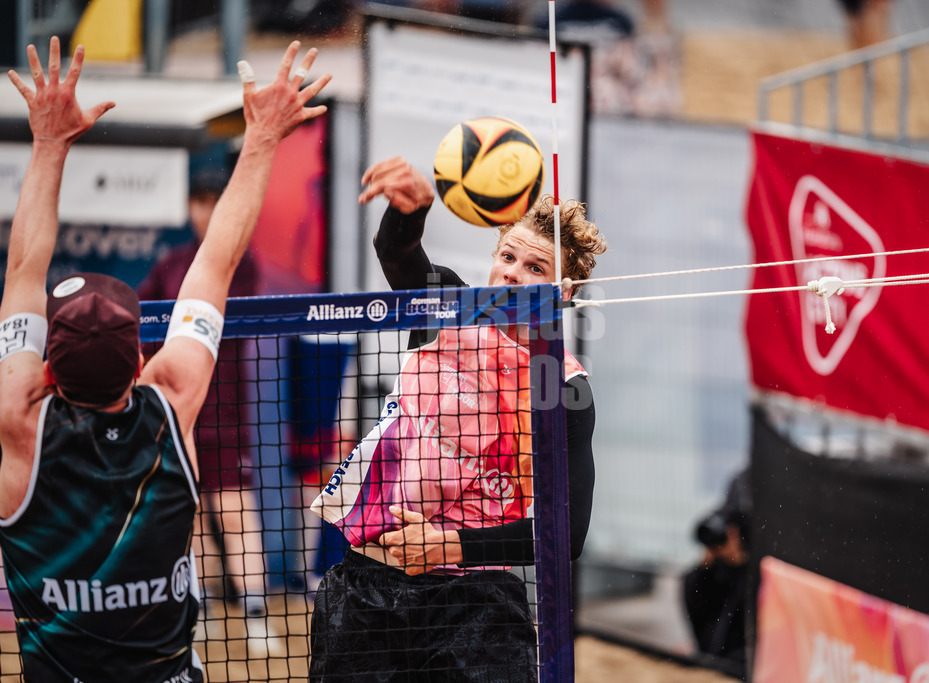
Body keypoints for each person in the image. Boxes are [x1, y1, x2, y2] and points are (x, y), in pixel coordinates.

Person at [0, 36, 330, 681]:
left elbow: (21, 269)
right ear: (139, 363)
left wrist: (47, 144)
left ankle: (257, 611)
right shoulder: (172, 400)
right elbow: (218, 261)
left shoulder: (17, 424)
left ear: (45, 369)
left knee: (231, 525)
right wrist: (261, 136)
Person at [308, 157, 607, 681]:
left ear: (564, 292)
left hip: (477, 603)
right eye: (507, 256)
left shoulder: (563, 388)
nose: (513, 273)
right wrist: (412, 212)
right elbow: (396, 252)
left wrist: (450, 545)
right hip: (371, 586)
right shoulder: (447, 309)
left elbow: (568, 534)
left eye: (535, 268)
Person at [137, 165, 271, 633]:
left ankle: (256, 613)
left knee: (233, 514)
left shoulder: (242, 263)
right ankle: (203, 609)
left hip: (228, 415)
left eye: (216, 200)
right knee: (189, 516)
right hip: (179, 415)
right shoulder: (170, 263)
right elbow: (136, 319)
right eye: (199, 201)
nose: (206, 211)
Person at [682, 466, 751, 674]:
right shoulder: (740, 483)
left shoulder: (758, 571)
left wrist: (742, 563)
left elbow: (745, 614)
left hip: (743, 664)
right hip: (713, 661)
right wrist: (705, 567)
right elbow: (697, 609)